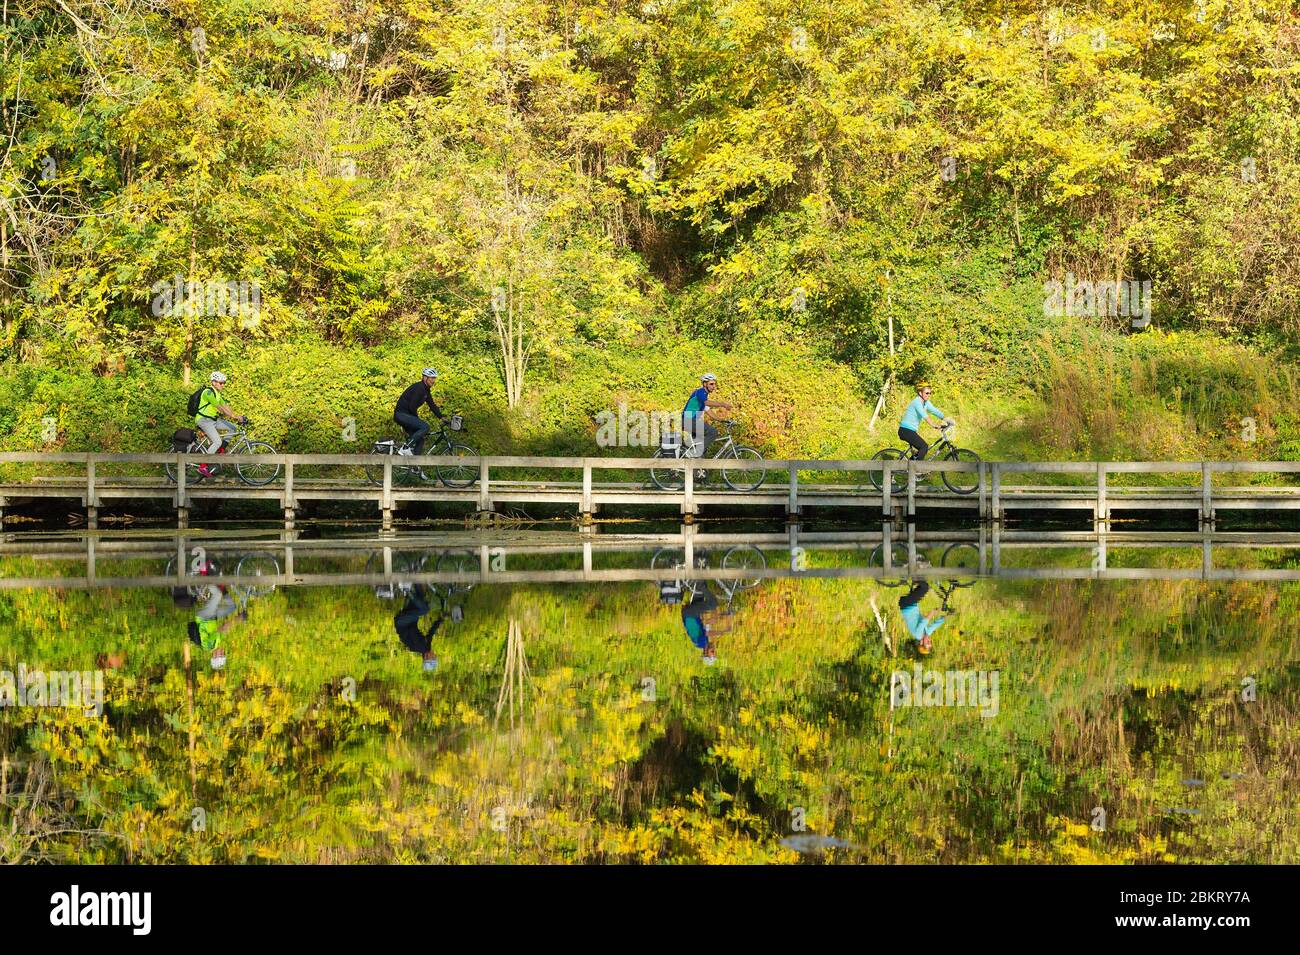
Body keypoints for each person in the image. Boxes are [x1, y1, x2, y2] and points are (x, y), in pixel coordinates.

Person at [194, 371, 247, 478]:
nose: (223, 385)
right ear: (213, 382)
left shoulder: (217, 394)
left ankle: (221, 450)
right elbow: (220, 408)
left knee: (233, 428)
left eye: (224, 383)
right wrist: (234, 417)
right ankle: (203, 466)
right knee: (217, 441)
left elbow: (225, 406)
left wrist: (237, 416)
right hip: (203, 420)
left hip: (213, 420)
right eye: (221, 383)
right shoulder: (208, 392)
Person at [187, 582, 244, 670]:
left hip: (204, 617)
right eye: (223, 654)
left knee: (217, 595)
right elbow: (225, 630)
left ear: (214, 656)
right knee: (231, 607)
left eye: (220, 654)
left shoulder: (209, 645)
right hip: (212, 618)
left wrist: (240, 618)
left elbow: (223, 628)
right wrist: (238, 619)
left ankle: (207, 579)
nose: (223, 652)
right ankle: (222, 587)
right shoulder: (217, 643)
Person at [394, 368, 446, 456]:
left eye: (434, 378)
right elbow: (412, 407)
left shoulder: (426, 390)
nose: (433, 381)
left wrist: (441, 417)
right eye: (431, 378)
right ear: (425, 378)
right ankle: (406, 448)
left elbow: (432, 405)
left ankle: (414, 467)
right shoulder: (419, 388)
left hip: (406, 415)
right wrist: (417, 420)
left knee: (420, 440)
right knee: (425, 427)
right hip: (401, 414)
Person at [897, 381, 954, 461]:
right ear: (920, 393)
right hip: (905, 430)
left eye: (930, 393)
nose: (929, 395)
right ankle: (917, 469)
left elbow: (934, 411)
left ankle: (909, 466)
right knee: (924, 447)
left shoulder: (926, 402)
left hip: (911, 431)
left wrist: (946, 419)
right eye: (927, 393)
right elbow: (924, 415)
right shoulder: (917, 402)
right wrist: (934, 424)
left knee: (922, 449)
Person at [394, 584, 444, 672]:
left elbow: (411, 630)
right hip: (409, 620)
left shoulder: (419, 647)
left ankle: (407, 591)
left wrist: (418, 615)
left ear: (426, 657)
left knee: (425, 610)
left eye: (433, 658)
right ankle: (415, 575)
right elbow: (431, 633)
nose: (435, 655)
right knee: (420, 595)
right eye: (435, 657)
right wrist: (440, 621)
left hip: (402, 622)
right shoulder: (426, 646)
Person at [681, 373, 732, 456]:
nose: (714, 386)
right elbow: (707, 403)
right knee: (713, 432)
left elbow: (708, 411)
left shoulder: (703, 396)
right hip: (688, 420)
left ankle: (698, 467)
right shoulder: (700, 392)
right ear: (705, 384)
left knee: (701, 444)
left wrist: (721, 420)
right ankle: (697, 453)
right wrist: (723, 404)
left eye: (715, 384)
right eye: (711, 384)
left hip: (689, 421)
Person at [681, 585, 732, 665]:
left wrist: (723, 631)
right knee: (699, 590)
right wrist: (719, 616)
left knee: (713, 604)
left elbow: (709, 632)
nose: (714, 649)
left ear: (705, 652)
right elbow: (707, 623)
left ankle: (700, 583)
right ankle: (699, 580)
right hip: (692, 614)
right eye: (715, 652)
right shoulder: (705, 641)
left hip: (690, 614)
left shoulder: (701, 643)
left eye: (712, 652)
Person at [898, 581, 945, 656]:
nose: (930, 640)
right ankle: (915, 578)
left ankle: (915, 576)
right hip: (912, 604)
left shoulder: (918, 634)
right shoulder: (926, 633)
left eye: (927, 642)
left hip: (906, 604)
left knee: (925, 587)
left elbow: (924, 621)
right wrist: (947, 616)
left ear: (921, 642)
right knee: (922, 587)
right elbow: (934, 626)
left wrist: (933, 612)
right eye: (930, 642)